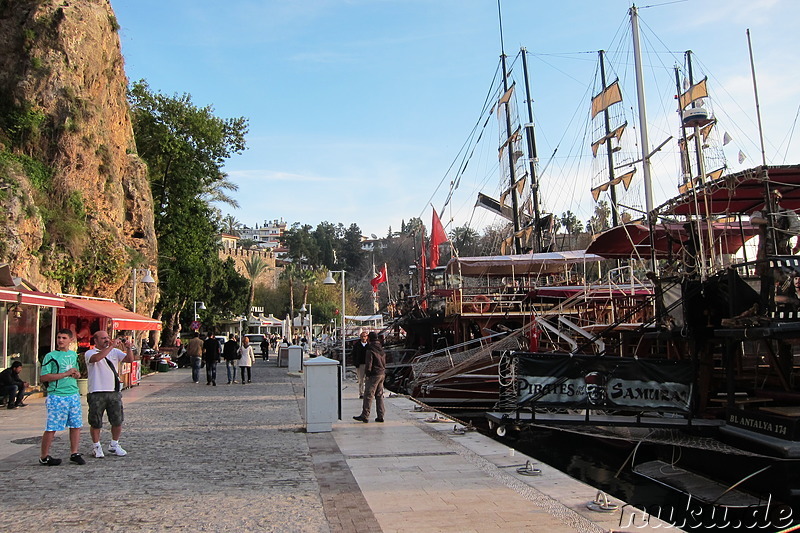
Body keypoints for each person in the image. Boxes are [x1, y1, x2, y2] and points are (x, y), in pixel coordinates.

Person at [85, 331, 134, 458]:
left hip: (113, 391)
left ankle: (114, 444)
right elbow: (96, 359)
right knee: (96, 421)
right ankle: (96, 446)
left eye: (107, 337)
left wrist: (129, 348)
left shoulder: (114, 352)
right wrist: (111, 346)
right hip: (96, 391)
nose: (106, 340)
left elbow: (129, 360)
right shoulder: (90, 353)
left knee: (117, 420)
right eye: (103, 338)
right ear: (95, 341)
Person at [39, 328, 85, 466]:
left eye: (64, 338)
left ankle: (74, 452)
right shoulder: (51, 356)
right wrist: (65, 374)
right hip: (57, 395)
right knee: (52, 426)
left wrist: (76, 375)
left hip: (73, 394)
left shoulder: (73, 355)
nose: (60, 340)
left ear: (71, 340)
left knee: (76, 425)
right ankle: (44, 456)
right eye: (59, 337)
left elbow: (76, 371)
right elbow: (44, 377)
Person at [353, 332, 386, 423]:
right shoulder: (381, 349)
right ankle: (381, 415)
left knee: (368, 395)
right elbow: (384, 362)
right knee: (379, 395)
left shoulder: (370, 349)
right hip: (382, 373)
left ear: (369, 339)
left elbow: (369, 363)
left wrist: (368, 374)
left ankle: (365, 415)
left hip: (374, 374)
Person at [351, 330, 369, 399]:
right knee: (361, 379)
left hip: (367, 364)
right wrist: (356, 363)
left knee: (368, 379)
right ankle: (361, 393)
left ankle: (367, 392)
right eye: (362, 336)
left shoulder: (369, 345)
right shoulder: (357, 345)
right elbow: (354, 354)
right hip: (360, 364)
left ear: (367, 337)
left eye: (364, 336)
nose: (363, 338)